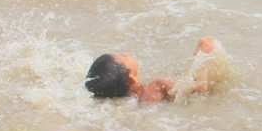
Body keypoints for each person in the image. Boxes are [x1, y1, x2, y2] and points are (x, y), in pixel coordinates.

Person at [85, 37, 216, 102]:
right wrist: (201, 54)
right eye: (122, 56)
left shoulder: (123, 100)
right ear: (131, 78)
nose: (125, 53)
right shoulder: (157, 85)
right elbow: (200, 87)